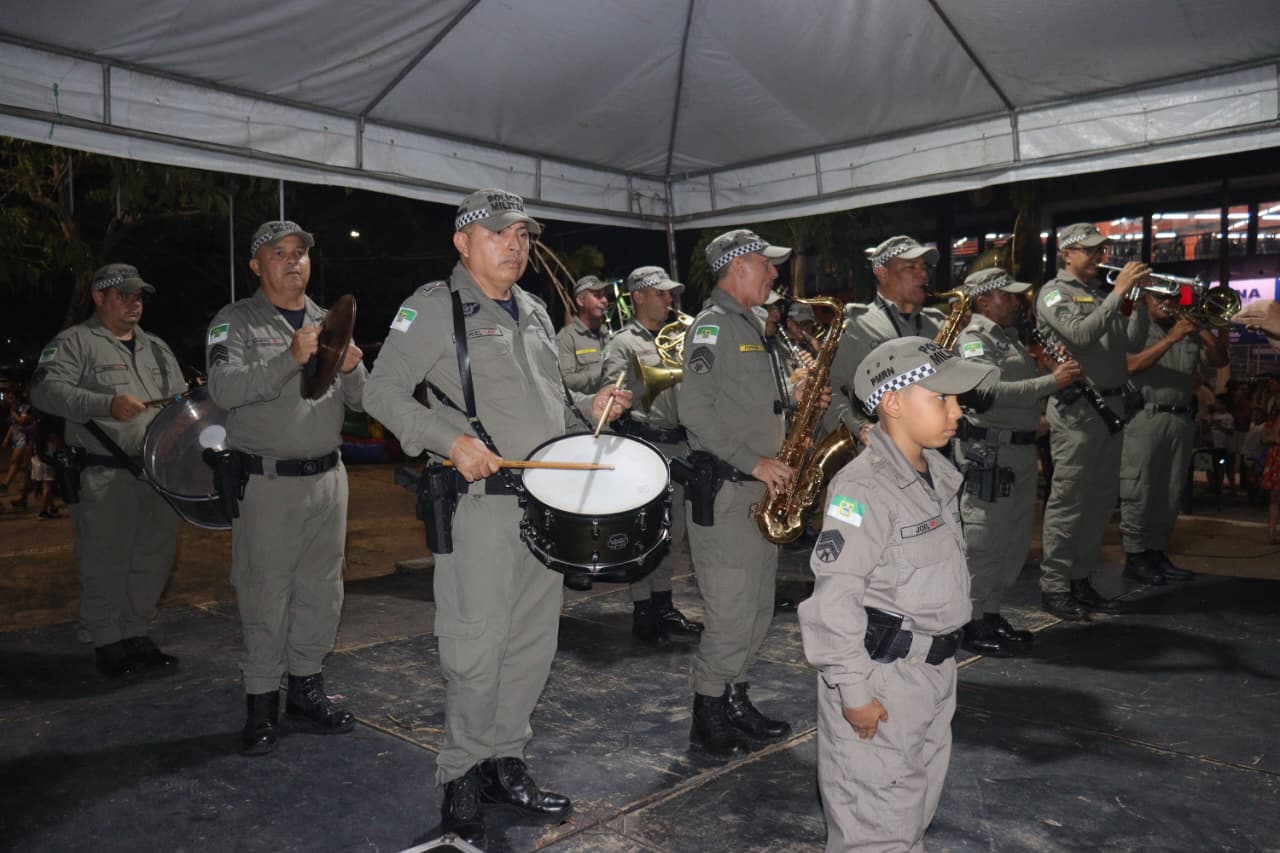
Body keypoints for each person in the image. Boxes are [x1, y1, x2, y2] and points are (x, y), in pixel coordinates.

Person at [363, 188, 630, 848]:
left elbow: (550, 403)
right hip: (479, 508)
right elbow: (380, 392)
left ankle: (505, 762)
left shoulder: (534, 310)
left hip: (545, 508)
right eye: (499, 233)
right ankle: (461, 773)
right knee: (476, 646)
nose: (515, 245)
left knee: (531, 643)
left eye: (523, 235)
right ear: (463, 242)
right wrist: (448, 440)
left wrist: (589, 406)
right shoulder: (434, 307)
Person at [799, 336, 995, 853]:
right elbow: (834, 597)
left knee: (910, 813)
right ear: (893, 402)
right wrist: (854, 692)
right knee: (876, 823)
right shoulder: (862, 489)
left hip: (932, 673)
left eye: (957, 399)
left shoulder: (936, 476)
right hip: (882, 682)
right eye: (942, 398)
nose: (957, 411)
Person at [206, 220, 368, 756]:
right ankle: (260, 704)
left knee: (323, 590)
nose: (293, 260)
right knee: (265, 591)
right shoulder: (234, 321)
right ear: (256, 265)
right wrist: (287, 359)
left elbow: (361, 402)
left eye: (300, 252)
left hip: (329, 479)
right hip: (268, 482)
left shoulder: (330, 320)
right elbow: (223, 388)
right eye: (279, 253)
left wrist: (353, 369)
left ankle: (305, 689)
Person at [678, 228, 810, 758]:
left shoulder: (751, 326)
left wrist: (796, 396)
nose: (774, 272)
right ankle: (707, 712)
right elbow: (695, 410)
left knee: (756, 609)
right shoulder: (712, 326)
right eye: (766, 263)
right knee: (731, 611)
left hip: (760, 494)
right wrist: (752, 461)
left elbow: (751, 404)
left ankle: (734, 697)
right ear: (738, 266)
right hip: (730, 493)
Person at [30, 263, 186, 677]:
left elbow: (179, 403)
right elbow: (43, 390)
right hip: (104, 472)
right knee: (105, 558)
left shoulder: (157, 347)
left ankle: (136, 632)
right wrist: (104, 404)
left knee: (154, 556)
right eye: (124, 295)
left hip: (158, 473)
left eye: (138, 296)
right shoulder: (75, 342)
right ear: (99, 297)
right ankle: (107, 638)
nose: (134, 303)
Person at [951, 268, 1082, 656]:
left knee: (1014, 540)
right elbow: (986, 391)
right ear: (983, 300)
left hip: (1019, 451)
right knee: (985, 539)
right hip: (990, 453)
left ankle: (991, 613)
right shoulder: (973, 340)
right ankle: (970, 619)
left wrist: (1049, 375)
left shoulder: (1009, 339)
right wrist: (1052, 382)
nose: (1015, 302)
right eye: (1006, 296)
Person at [1035, 223, 1147, 621]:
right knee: (1069, 503)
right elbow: (1080, 335)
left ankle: (1080, 580)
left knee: (1099, 503)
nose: (1100, 257)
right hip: (1080, 411)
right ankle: (1054, 586)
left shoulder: (1101, 294)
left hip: (1112, 408)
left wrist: (1137, 300)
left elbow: (1133, 343)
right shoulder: (1054, 293)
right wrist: (1118, 294)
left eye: (1102, 250)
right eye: (1091, 250)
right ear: (1066, 253)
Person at [602, 265, 703, 644]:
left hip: (678, 444)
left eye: (669, 293)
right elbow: (610, 396)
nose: (668, 299)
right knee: (647, 532)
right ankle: (643, 608)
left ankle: (663, 604)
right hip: (645, 446)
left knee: (674, 533)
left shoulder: (676, 336)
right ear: (639, 296)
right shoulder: (623, 343)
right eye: (660, 293)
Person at [1119, 290, 1228, 585]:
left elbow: (1220, 359)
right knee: (1139, 488)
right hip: (1146, 415)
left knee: (1170, 491)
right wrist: (1172, 338)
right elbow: (1130, 365)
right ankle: (1135, 556)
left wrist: (1201, 329)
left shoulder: (1188, 329)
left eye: (1172, 298)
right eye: (1159, 297)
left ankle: (1156, 553)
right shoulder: (1136, 325)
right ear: (1145, 299)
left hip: (1181, 418)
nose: (1167, 303)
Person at [825, 235, 946, 447]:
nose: (923, 274)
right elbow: (828, 389)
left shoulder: (938, 324)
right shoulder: (855, 325)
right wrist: (861, 428)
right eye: (911, 267)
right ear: (882, 273)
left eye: (924, 267)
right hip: (882, 451)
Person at [557, 275, 611, 393]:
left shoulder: (606, 334)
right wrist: (602, 371)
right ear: (580, 301)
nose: (604, 301)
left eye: (605, 295)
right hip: (588, 404)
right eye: (597, 295)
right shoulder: (567, 337)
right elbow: (564, 381)